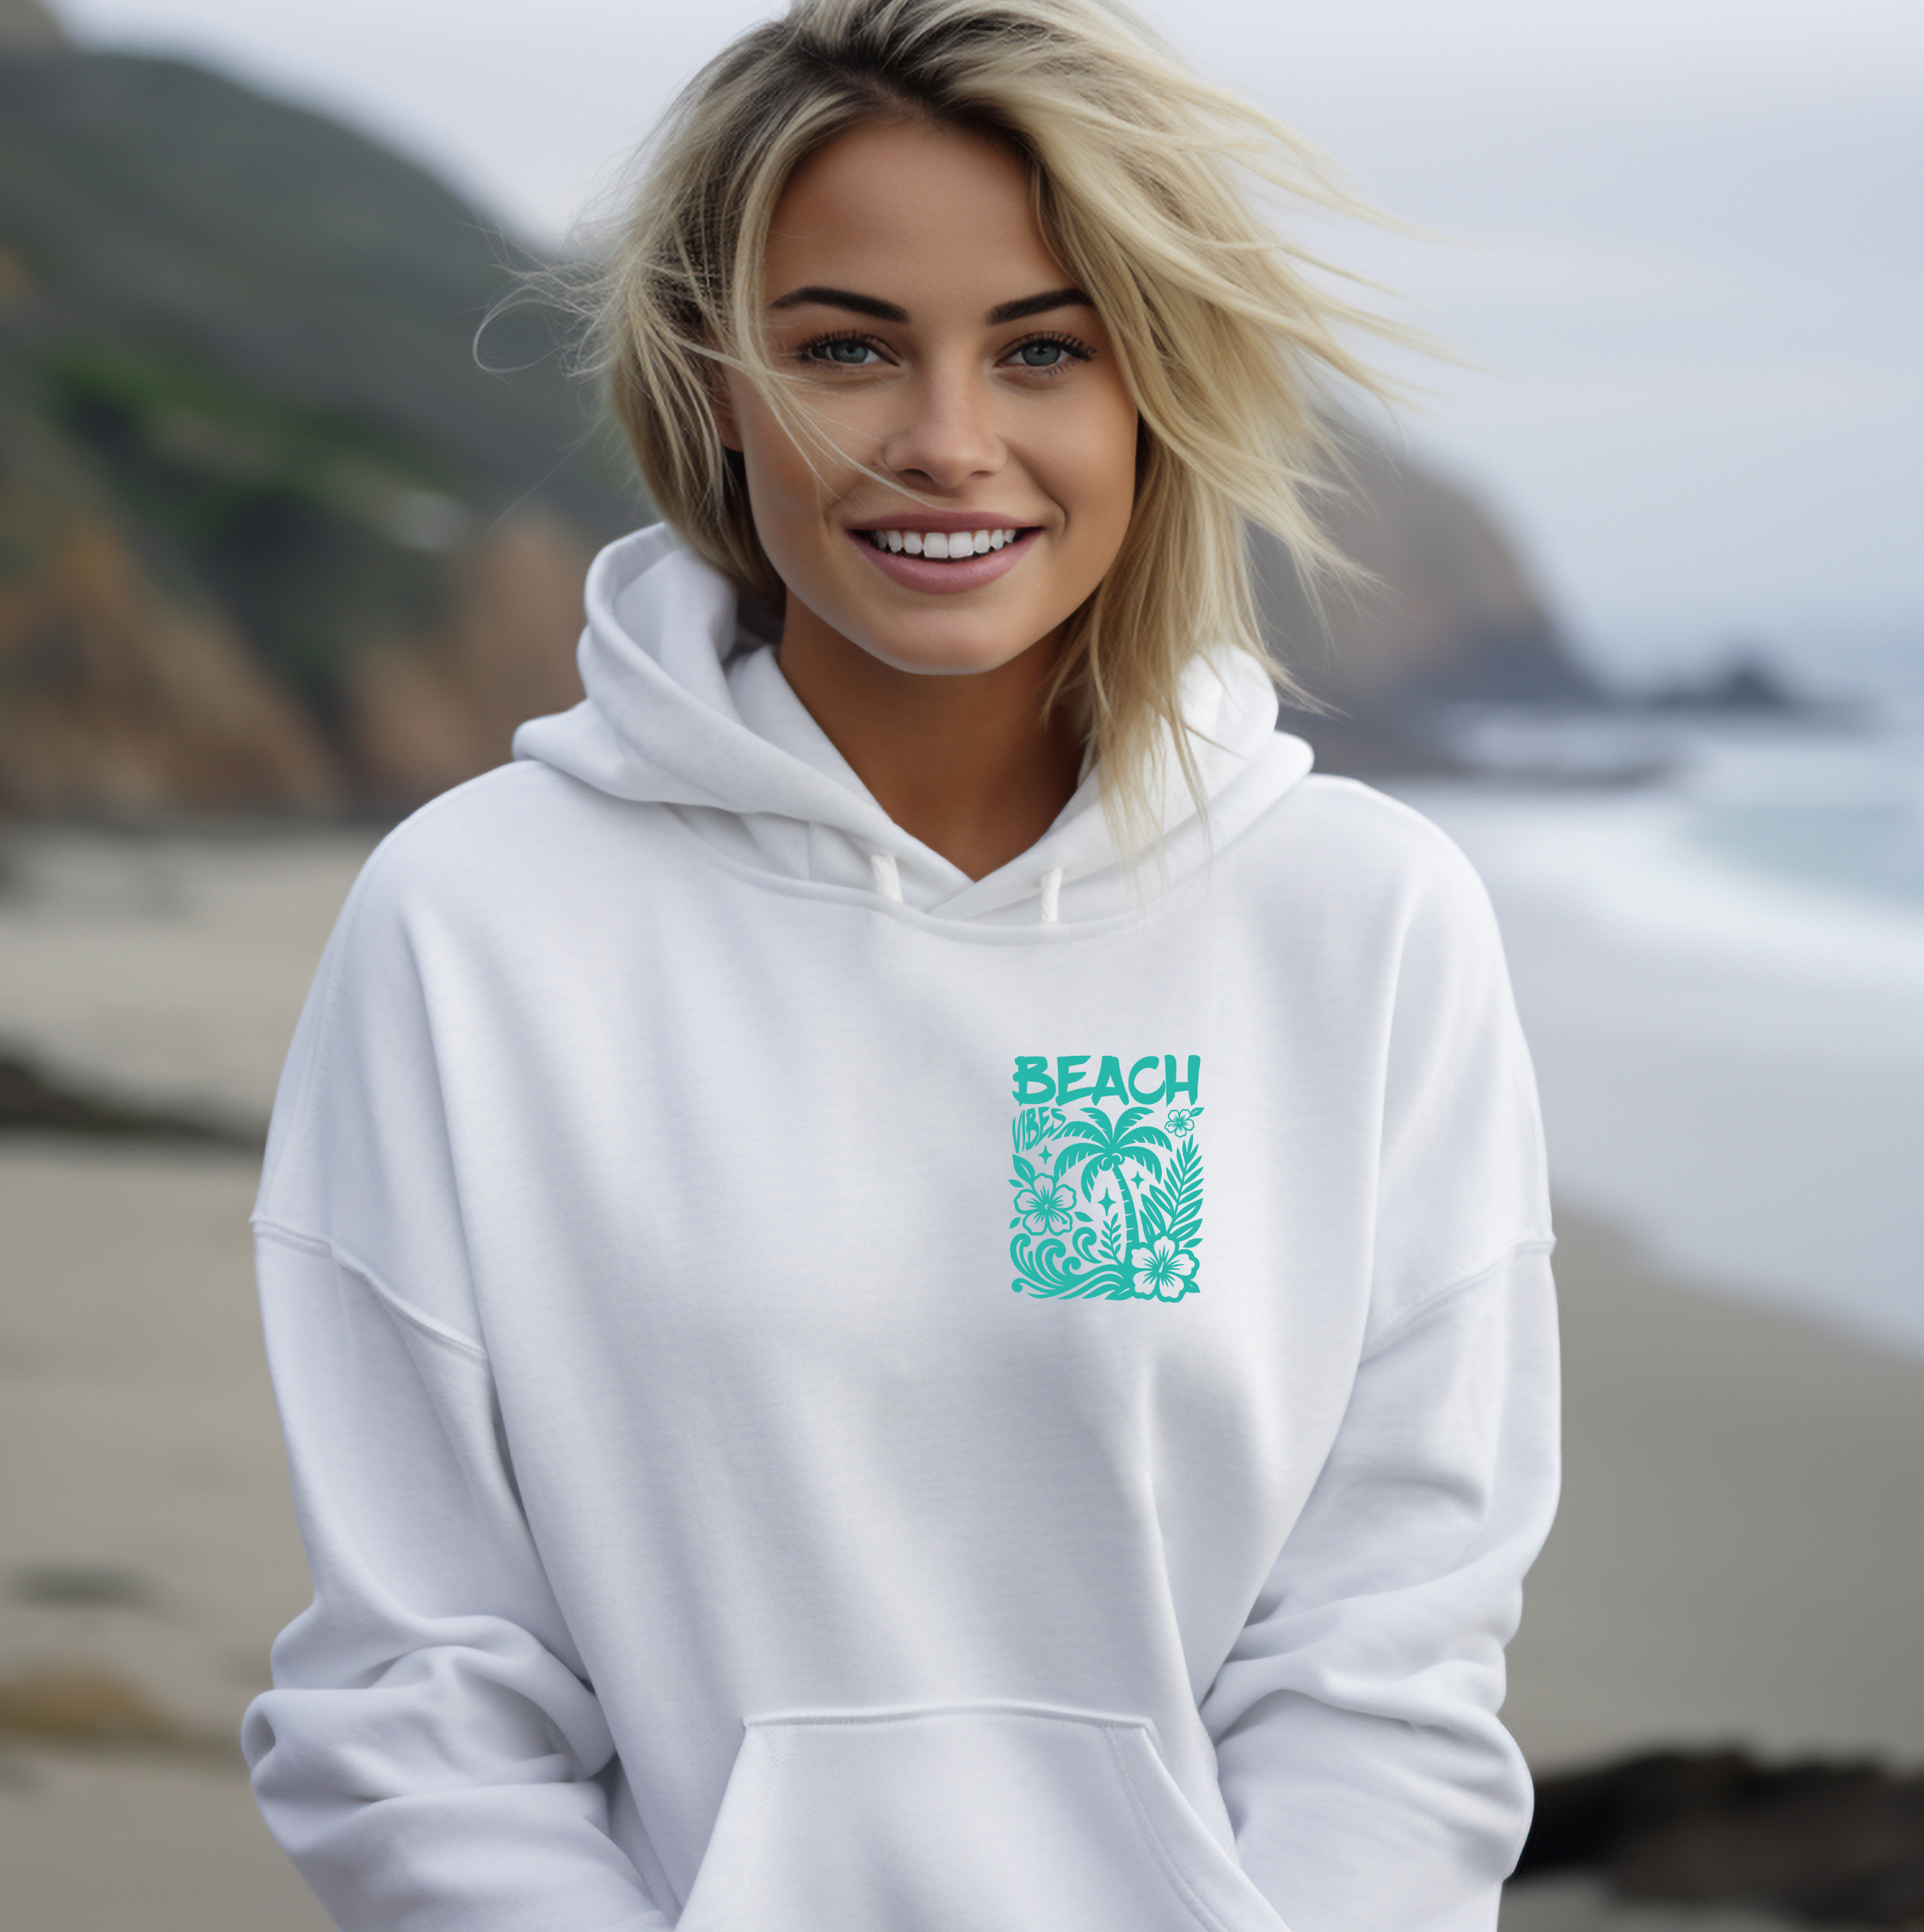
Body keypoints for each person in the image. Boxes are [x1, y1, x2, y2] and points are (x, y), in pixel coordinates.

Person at [241, 2, 1559, 1928]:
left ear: (1150, 396)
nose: (948, 443)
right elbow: (419, 1699)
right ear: (712, 387)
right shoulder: (474, 924)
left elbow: (1387, 1669)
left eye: (1043, 350)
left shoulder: (1359, 926)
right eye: (845, 347)